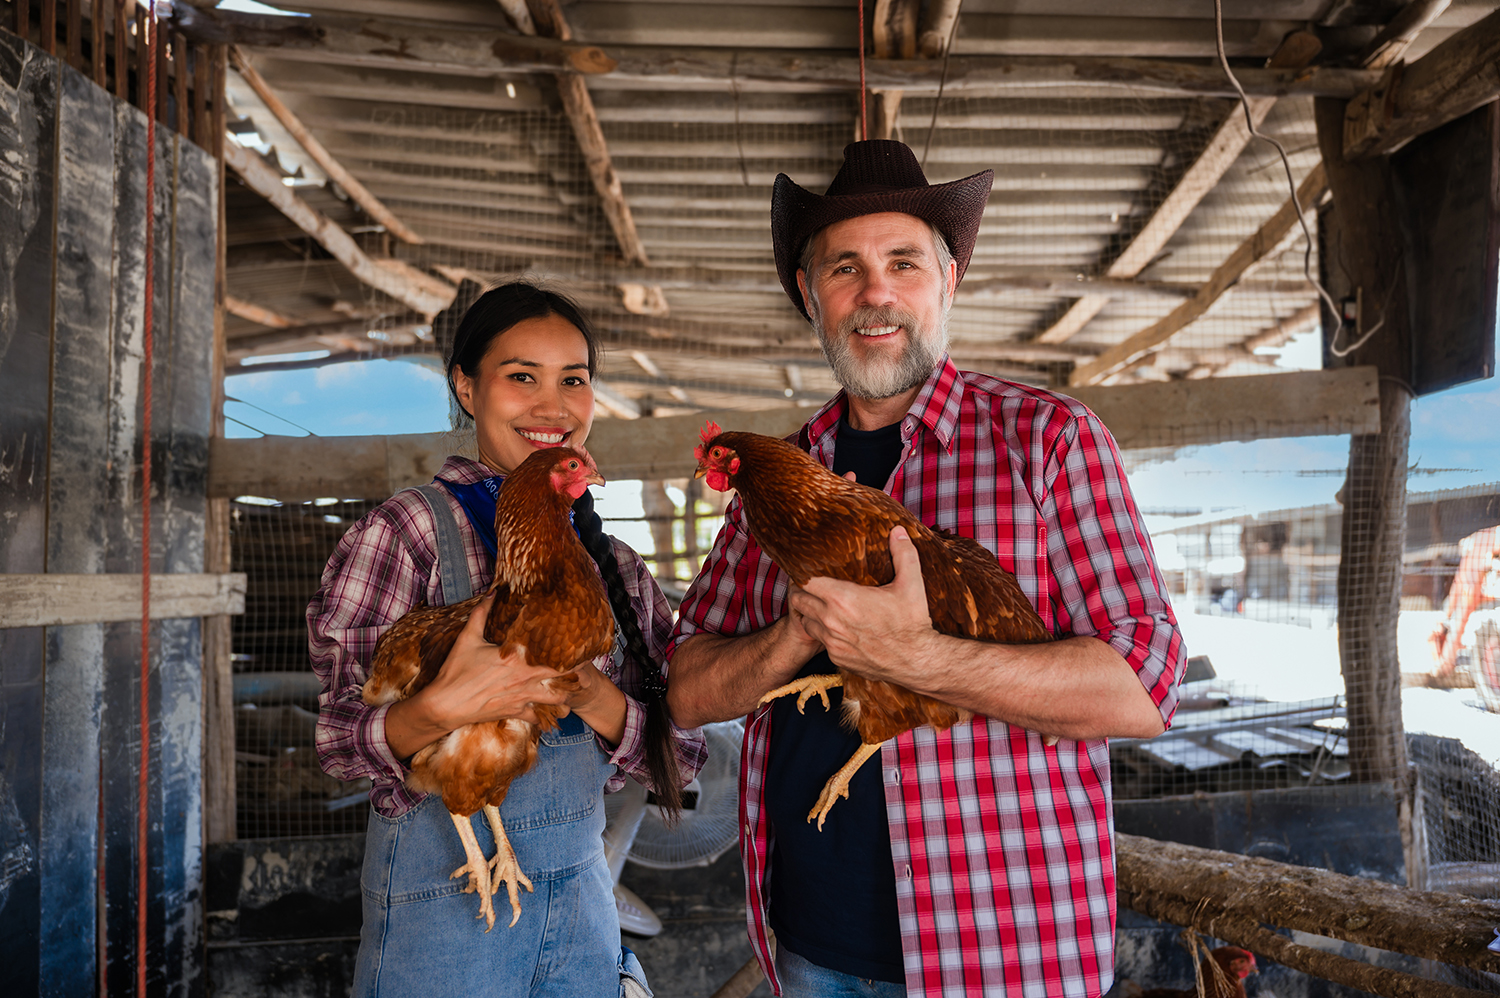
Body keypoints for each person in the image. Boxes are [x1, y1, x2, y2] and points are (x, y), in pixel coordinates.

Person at [666, 140, 1185, 998]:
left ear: (949, 281)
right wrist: (795, 634)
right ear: (811, 296)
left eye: (903, 262)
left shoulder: (1048, 441)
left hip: (1002, 947)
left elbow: (1146, 686)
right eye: (844, 268)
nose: (875, 293)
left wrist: (917, 658)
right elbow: (684, 689)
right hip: (808, 945)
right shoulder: (774, 484)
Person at [308, 282, 706, 998]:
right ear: (466, 385)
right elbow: (339, 741)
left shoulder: (612, 567)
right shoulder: (407, 534)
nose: (552, 406)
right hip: (443, 916)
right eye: (521, 376)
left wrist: (589, 692)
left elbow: (683, 754)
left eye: (574, 380)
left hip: (583, 907)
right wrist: (437, 711)